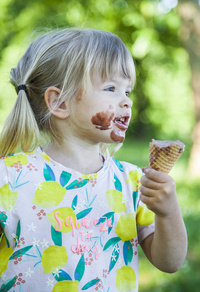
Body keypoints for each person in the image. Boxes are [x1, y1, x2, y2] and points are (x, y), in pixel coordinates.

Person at [0, 28, 187, 292]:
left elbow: (170, 262)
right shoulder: (9, 178)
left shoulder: (133, 182)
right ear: (60, 102)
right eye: (111, 88)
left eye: (128, 91)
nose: (127, 102)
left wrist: (168, 212)